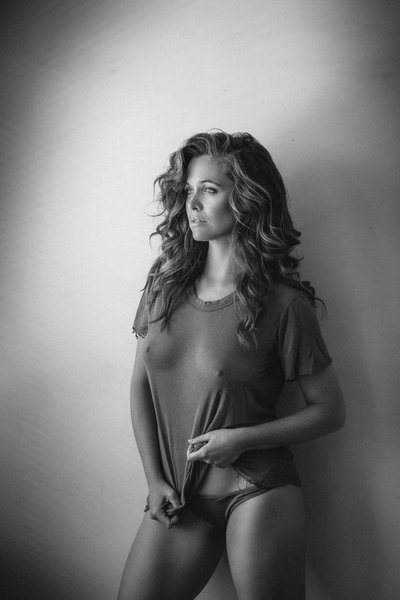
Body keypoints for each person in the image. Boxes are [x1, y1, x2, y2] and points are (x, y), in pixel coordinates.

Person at [118, 131, 345, 600]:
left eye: (209, 189)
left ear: (246, 200)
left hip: (256, 490)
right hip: (178, 495)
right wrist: (154, 479)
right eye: (189, 189)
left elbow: (330, 410)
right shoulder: (163, 286)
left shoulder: (284, 305)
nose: (192, 203)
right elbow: (140, 386)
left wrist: (240, 439)